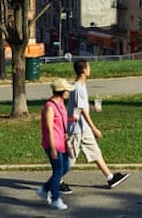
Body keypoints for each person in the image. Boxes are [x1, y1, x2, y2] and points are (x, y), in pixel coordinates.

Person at [64, 59, 130, 190]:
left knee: (95, 152)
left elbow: (81, 106)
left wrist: (93, 108)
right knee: (71, 158)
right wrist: (95, 128)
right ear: (83, 70)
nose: (90, 69)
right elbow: (81, 111)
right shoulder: (77, 88)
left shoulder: (81, 86)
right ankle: (56, 181)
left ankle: (110, 177)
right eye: (88, 67)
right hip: (77, 129)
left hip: (84, 128)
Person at [36, 78, 75, 210]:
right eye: (67, 91)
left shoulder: (61, 103)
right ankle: (55, 199)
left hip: (62, 142)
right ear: (61, 91)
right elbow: (49, 129)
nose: (68, 93)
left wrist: (71, 119)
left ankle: (44, 189)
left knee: (66, 167)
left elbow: (62, 121)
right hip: (53, 143)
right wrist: (52, 148)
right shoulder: (49, 107)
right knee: (58, 170)